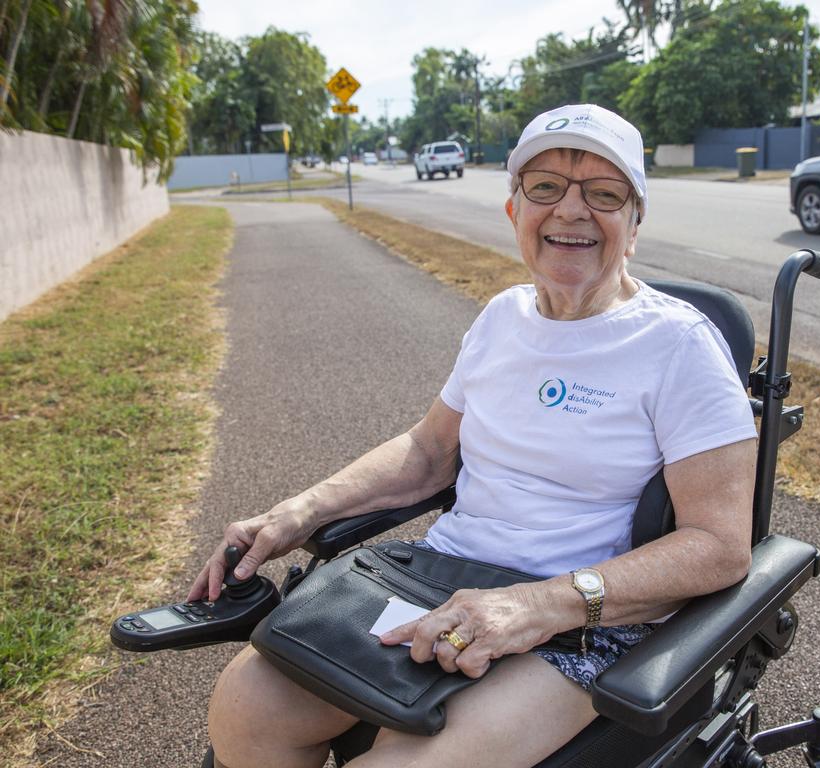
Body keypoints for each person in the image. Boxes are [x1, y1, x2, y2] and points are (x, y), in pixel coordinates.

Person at [191, 104, 758, 768]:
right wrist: (302, 510)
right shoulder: (500, 317)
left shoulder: (678, 345)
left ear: (633, 225)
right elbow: (429, 452)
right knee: (243, 709)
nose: (571, 210)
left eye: (603, 195)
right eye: (545, 187)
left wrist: (537, 605)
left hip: (579, 623)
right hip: (444, 582)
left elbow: (719, 547)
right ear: (515, 210)